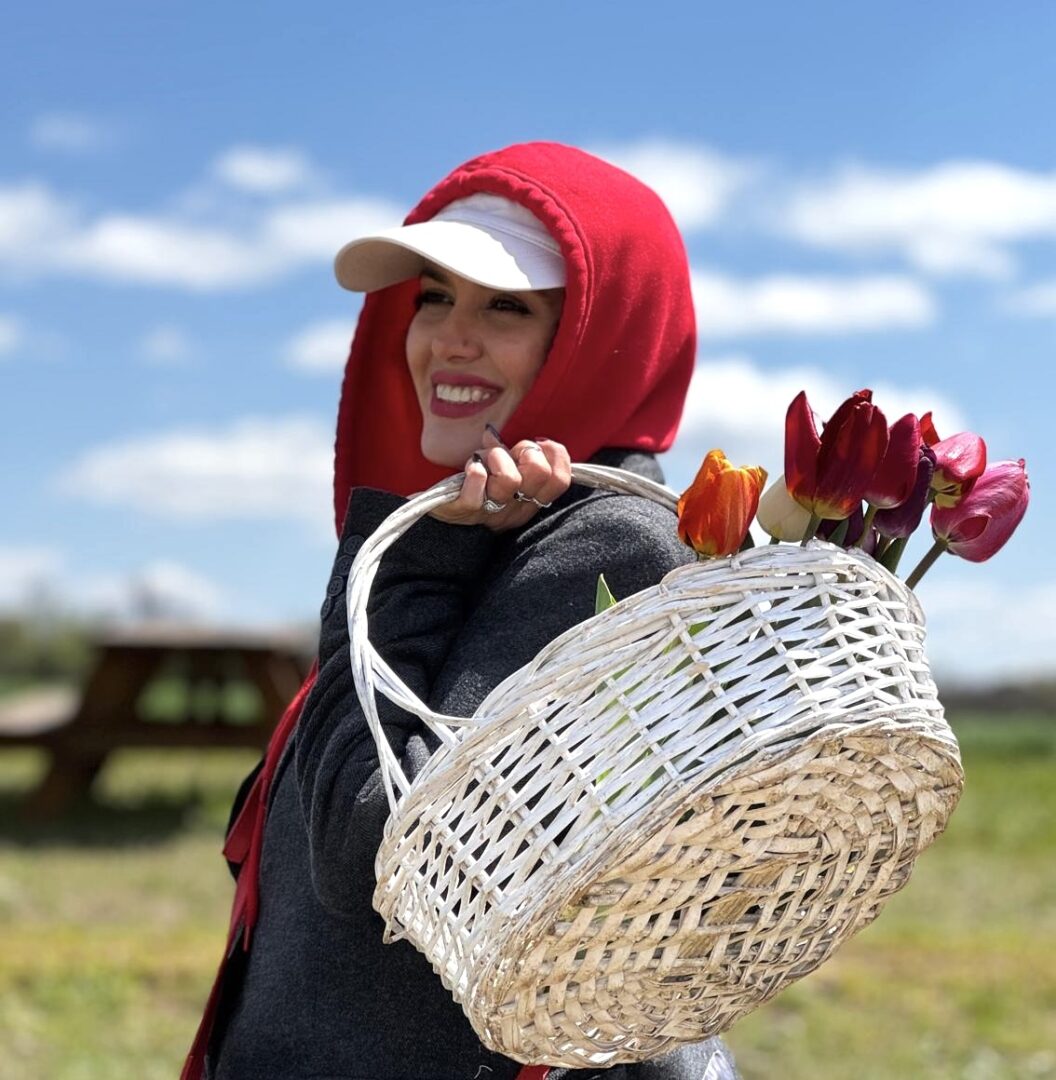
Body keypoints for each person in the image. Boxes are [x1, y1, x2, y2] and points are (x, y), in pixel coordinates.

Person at [184, 142, 740, 1080]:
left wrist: (407, 565)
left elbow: (372, 852)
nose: (448, 338)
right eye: (434, 297)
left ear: (604, 334)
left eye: (507, 307)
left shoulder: (610, 547)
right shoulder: (489, 527)